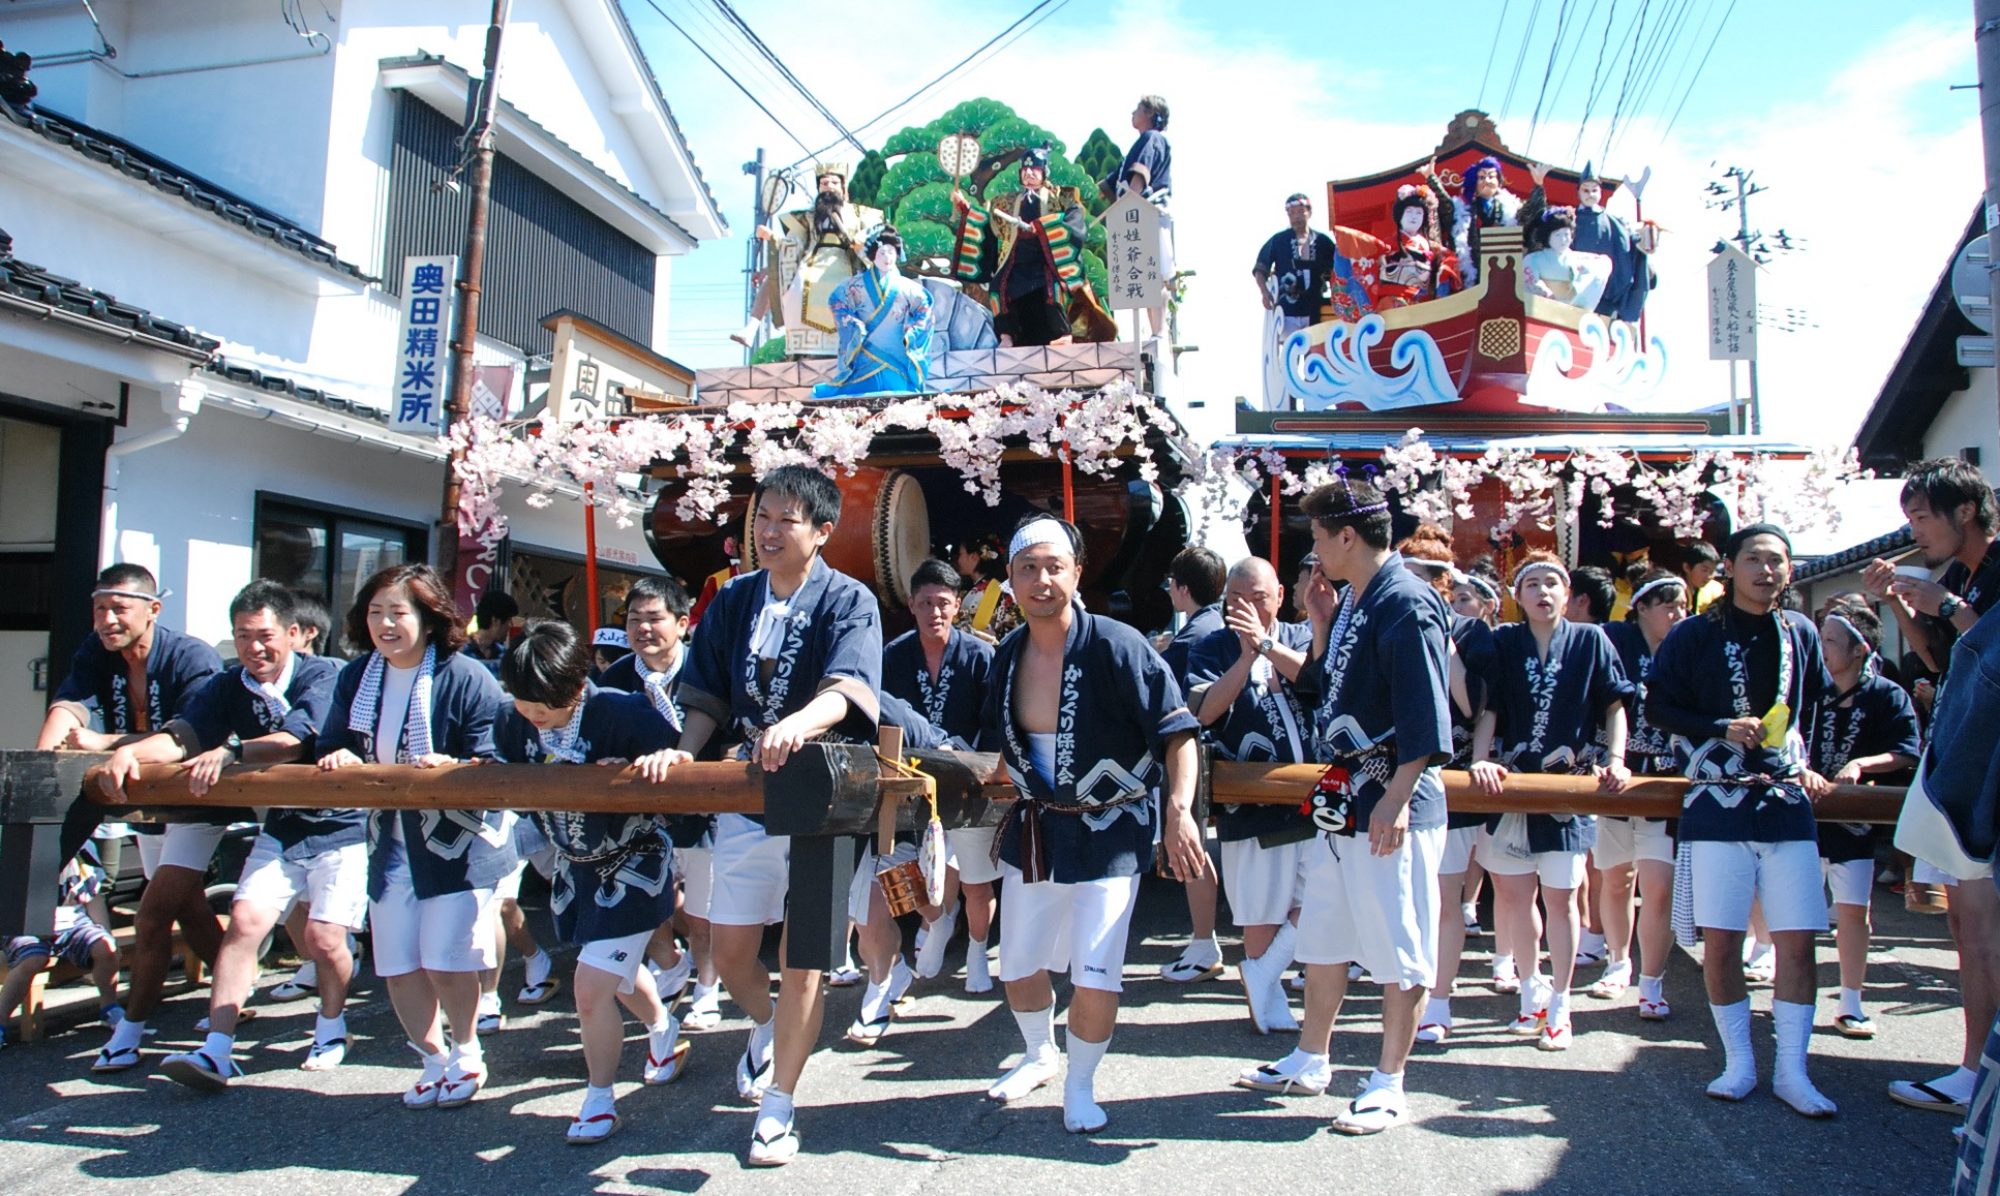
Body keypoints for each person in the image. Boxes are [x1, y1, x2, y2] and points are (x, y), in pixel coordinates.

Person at [662, 464, 883, 1167]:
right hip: (746, 795)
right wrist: (683, 753)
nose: (768, 530)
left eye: (786, 520)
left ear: (821, 532)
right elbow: (705, 696)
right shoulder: (732, 602)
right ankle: (766, 1026)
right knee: (729, 952)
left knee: (807, 962)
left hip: (821, 794)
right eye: (762, 517)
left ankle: (779, 1104)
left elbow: (849, 689)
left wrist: (799, 724)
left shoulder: (850, 600)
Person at [1236, 478, 1452, 1135]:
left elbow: (1425, 713)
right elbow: (1329, 686)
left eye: (1320, 537)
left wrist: (1397, 796)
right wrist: (1302, 631)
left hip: (1391, 790)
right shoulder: (1360, 600)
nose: (1316, 551)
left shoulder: (1406, 600)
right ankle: (1311, 1053)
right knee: (1325, 927)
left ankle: (1390, 1081)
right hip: (1342, 787)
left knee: (1398, 937)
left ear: (1348, 536)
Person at [982, 513, 1206, 1134]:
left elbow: (1178, 732)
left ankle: (1081, 1085)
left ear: (1078, 573)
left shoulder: (1116, 644)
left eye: (1055, 566)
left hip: (1111, 832)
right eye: (1028, 568)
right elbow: (998, 750)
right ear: (1010, 580)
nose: (1042, 579)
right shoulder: (1006, 654)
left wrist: (1179, 812)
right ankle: (1038, 1053)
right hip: (1038, 830)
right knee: (1019, 965)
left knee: (1096, 970)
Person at [95, 581, 352, 1088]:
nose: (254, 647)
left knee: (324, 939)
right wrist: (130, 752)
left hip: (341, 822)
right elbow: (183, 737)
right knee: (243, 922)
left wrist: (232, 750)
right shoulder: (228, 684)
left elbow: (295, 738)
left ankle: (331, 1025)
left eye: (265, 636)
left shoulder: (324, 674)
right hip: (278, 823)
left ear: (295, 633)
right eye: (242, 636)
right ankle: (217, 1047)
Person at [1646, 523, 1839, 1117]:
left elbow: (1810, 707)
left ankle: (1792, 1070)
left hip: (1784, 801)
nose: (1767, 570)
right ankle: (1738, 1061)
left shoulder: (1799, 631)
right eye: (1753, 559)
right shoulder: (1694, 635)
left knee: (1798, 940)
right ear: (1729, 567)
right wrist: (1718, 727)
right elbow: (1656, 706)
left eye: (1778, 560)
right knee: (1723, 942)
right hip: (1716, 801)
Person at [317, 563, 512, 1109]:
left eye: (398, 612)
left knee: (445, 955)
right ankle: (431, 1057)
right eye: (375, 612)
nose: (385, 623)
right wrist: (339, 755)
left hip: (455, 839)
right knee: (398, 959)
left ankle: (468, 1050)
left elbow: (494, 751)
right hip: (387, 837)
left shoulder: (465, 675)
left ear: (428, 619)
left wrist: (455, 764)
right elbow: (334, 740)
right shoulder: (357, 676)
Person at [492, 619, 689, 1143]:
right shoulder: (512, 722)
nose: (531, 716)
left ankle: (600, 1099)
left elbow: (680, 760)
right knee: (616, 974)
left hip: (633, 863)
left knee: (590, 986)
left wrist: (647, 764)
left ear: (577, 688)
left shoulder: (622, 711)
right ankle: (663, 1029)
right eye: (522, 703)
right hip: (572, 863)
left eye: (543, 707)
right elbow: (502, 770)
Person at [38, 563, 224, 1073]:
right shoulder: (97, 651)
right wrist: (43, 772)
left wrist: (107, 743)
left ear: (152, 610)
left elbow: (189, 736)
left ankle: (130, 1030)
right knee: (184, 903)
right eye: (100, 608)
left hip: (196, 800)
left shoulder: (191, 656)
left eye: (119, 608)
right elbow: (69, 706)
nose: (107, 619)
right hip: (142, 802)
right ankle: (232, 993)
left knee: (152, 913)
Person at [1864, 458, 2000, 1115]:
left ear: (1965, 511)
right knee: (1969, 929)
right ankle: (1974, 1072)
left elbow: (1991, 651)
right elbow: (1941, 660)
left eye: (1920, 515)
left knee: (1983, 928)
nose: (1913, 528)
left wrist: (1946, 604)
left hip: (1990, 765)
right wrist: (1899, 601)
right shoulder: (1958, 577)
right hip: (1965, 760)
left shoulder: (1992, 571)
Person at [1469, 552, 1634, 1052]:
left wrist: (1617, 758)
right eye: (1532, 584)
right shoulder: (1505, 641)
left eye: (1552, 583)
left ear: (1568, 594)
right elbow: (1490, 708)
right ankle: (1529, 991)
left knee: (1561, 898)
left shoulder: (1591, 639)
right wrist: (1480, 759)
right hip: (1513, 782)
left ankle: (1561, 1001)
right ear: (1517, 598)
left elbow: (1614, 704)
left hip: (1568, 785)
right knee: (1515, 900)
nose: (1543, 592)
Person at [1185, 557, 1315, 1033]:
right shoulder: (1211, 647)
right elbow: (1202, 711)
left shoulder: (1302, 636)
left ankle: (1263, 973)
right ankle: (1267, 993)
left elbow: (1317, 682)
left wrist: (1267, 646)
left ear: (1280, 595)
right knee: (1263, 907)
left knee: (1328, 896)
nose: (1247, 608)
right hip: (1252, 798)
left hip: (1316, 793)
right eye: (1236, 599)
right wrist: (1244, 659)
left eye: (1258, 598)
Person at [600, 576, 723, 1031]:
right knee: (646, 904)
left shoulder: (707, 670)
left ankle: (708, 990)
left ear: (683, 623)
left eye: (655, 618)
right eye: (635, 620)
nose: (644, 629)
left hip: (706, 809)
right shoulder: (614, 677)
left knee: (704, 911)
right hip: (641, 815)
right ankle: (671, 964)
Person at [1397, 530, 1496, 1046]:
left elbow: (1470, 705)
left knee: (1444, 893)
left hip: (1446, 773)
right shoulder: (1384, 622)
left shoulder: (1471, 633)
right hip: (1388, 774)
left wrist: (1446, 641)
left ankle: (1439, 996)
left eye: (1432, 578)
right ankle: (1401, 984)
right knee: (1397, 892)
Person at [883, 558, 999, 991]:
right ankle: (937, 922)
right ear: (911, 605)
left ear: (957, 607)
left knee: (977, 880)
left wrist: (979, 763)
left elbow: (994, 720)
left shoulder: (981, 655)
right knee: (899, 865)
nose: (934, 612)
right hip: (912, 779)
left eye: (943, 603)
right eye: (926, 602)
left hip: (970, 779)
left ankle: (976, 949)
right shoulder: (893, 657)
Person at [1809, 604, 1920, 1040]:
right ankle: (1791, 993)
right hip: (1803, 815)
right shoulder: (1809, 691)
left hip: (1854, 821)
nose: (1822, 648)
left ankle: (1851, 1002)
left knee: (1854, 912)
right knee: (1794, 910)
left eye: (1831, 641)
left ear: (1860, 649)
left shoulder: (1887, 694)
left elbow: (1907, 749)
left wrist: (1862, 763)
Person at [1594, 570, 1689, 1017]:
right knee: (1616, 878)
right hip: (1615, 774)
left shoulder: (1692, 650)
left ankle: (1653, 979)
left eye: (1683, 605)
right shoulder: (1614, 642)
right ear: (1642, 609)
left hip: (1664, 781)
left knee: (1658, 883)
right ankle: (1617, 962)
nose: (1676, 613)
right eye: (1667, 604)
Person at [952, 145, 1108, 348]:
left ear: (1044, 172)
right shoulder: (1006, 202)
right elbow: (987, 223)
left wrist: (1042, 228)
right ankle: (1006, 335)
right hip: (1016, 261)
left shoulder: (1061, 197)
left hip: (1048, 261)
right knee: (999, 287)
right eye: (1024, 170)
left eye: (1034, 169)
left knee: (1054, 287)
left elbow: (1074, 219)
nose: (1029, 174)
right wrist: (966, 209)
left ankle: (1063, 333)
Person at [1155, 545, 1227, 984]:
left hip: (1193, 750)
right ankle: (1204, 941)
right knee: (1192, 843)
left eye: (1171, 583)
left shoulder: (1197, 634)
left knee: (1190, 843)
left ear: (1182, 589)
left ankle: (1204, 943)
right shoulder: (1209, 625)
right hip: (1202, 749)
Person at [744, 163, 883, 357]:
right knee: (794, 288)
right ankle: (753, 326)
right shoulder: (807, 217)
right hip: (812, 262)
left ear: (843, 188)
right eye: (824, 183)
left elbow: (874, 239)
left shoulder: (860, 214)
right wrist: (772, 238)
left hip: (847, 262)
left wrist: (861, 243)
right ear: (818, 188)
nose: (829, 186)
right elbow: (792, 244)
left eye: (834, 182)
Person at [2, 843, 120, 1046]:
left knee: (105, 947)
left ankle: (109, 1008)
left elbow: (94, 895)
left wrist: (106, 933)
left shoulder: (82, 847)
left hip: (72, 921)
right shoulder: (14, 843)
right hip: (24, 923)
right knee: (33, 958)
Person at [812, 225, 934, 398]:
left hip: (896, 358)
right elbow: (836, 300)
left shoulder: (908, 288)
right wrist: (852, 324)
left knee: (902, 393)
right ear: (872, 255)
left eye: (891, 252)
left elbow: (925, 308)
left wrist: (912, 333)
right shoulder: (854, 285)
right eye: (882, 252)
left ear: (897, 254)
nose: (887, 257)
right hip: (864, 358)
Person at [1104, 96, 1175, 333]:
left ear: (1150, 113)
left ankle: (1158, 332)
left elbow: (1139, 178)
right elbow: (1108, 184)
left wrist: (1127, 205)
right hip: (1136, 215)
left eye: (1137, 109)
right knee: (1144, 277)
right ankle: (1154, 331)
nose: (1132, 113)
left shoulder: (1152, 138)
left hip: (1147, 212)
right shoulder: (1135, 147)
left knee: (1153, 275)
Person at [1571, 163, 1651, 325]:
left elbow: (1630, 250)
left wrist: (1644, 238)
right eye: (1586, 190)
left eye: (1594, 190)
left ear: (1601, 192)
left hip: (1606, 299)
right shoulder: (1568, 218)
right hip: (1571, 295)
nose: (1590, 194)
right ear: (1578, 191)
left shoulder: (1616, 224)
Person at [1521, 207, 1610, 312]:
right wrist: (1550, 296)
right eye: (1557, 235)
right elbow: (1532, 284)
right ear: (1547, 236)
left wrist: (1576, 290)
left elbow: (1604, 263)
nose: (1563, 240)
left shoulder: (1579, 258)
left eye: (1566, 234)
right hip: (1541, 309)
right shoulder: (1533, 259)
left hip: (1572, 311)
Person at [464, 590, 519, 663]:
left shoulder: (505, 657)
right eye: (508, 620)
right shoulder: (462, 653)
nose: (510, 625)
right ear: (495, 620)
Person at [1679, 540, 1724, 613]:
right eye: (1704, 570)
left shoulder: (1716, 590)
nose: (1710, 576)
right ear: (1687, 567)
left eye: (1712, 571)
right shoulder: (1676, 591)